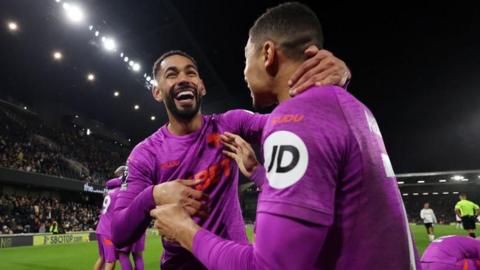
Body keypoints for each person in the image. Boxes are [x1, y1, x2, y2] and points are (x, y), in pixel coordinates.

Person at [149, 2, 420, 269]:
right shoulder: (353, 106)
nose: (244, 73)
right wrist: (256, 170)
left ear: (267, 54)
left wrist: (184, 230)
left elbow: (269, 266)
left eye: (246, 59)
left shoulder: (295, 118)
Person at [112, 31, 351, 270]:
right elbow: (119, 232)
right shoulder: (145, 153)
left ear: (201, 87)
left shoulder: (229, 123)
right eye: (171, 74)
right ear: (157, 92)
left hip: (232, 262)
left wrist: (331, 85)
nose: (183, 79)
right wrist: (153, 195)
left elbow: (295, 123)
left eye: (191, 73)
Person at [93, 166, 127, 270]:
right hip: (108, 232)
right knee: (111, 261)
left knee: (102, 258)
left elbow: (109, 183)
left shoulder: (109, 192)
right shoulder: (120, 193)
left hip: (100, 230)